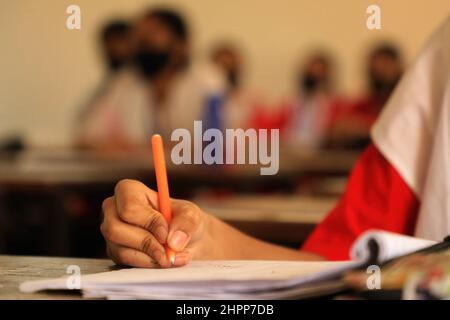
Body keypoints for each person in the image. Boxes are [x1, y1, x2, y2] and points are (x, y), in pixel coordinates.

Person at [100, 15, 450, 267]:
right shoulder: (439, 66)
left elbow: (222, 142)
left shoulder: (206, 83)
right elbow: (339, 261)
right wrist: (204, 239)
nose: (143, 45)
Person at [77, 8, 225, 149]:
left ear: (180, 44)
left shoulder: (207, 80)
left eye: (153, 33)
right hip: (138, 173)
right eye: (139, 34)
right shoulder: (126, 81)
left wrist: (139, 149)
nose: (142, 39)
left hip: (198, 176)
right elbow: (86, 136)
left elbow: (213, 145)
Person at [329, 43, 404, 148]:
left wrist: (367, 127)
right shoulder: (364, 104)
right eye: (375, 69)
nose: (379, 72)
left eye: (385, 67)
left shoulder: (404, 103)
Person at [282, 52, 344, 149]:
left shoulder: (333, 103)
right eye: (311, 72)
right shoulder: (293, 101)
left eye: (319, 73)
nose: (315, 75)